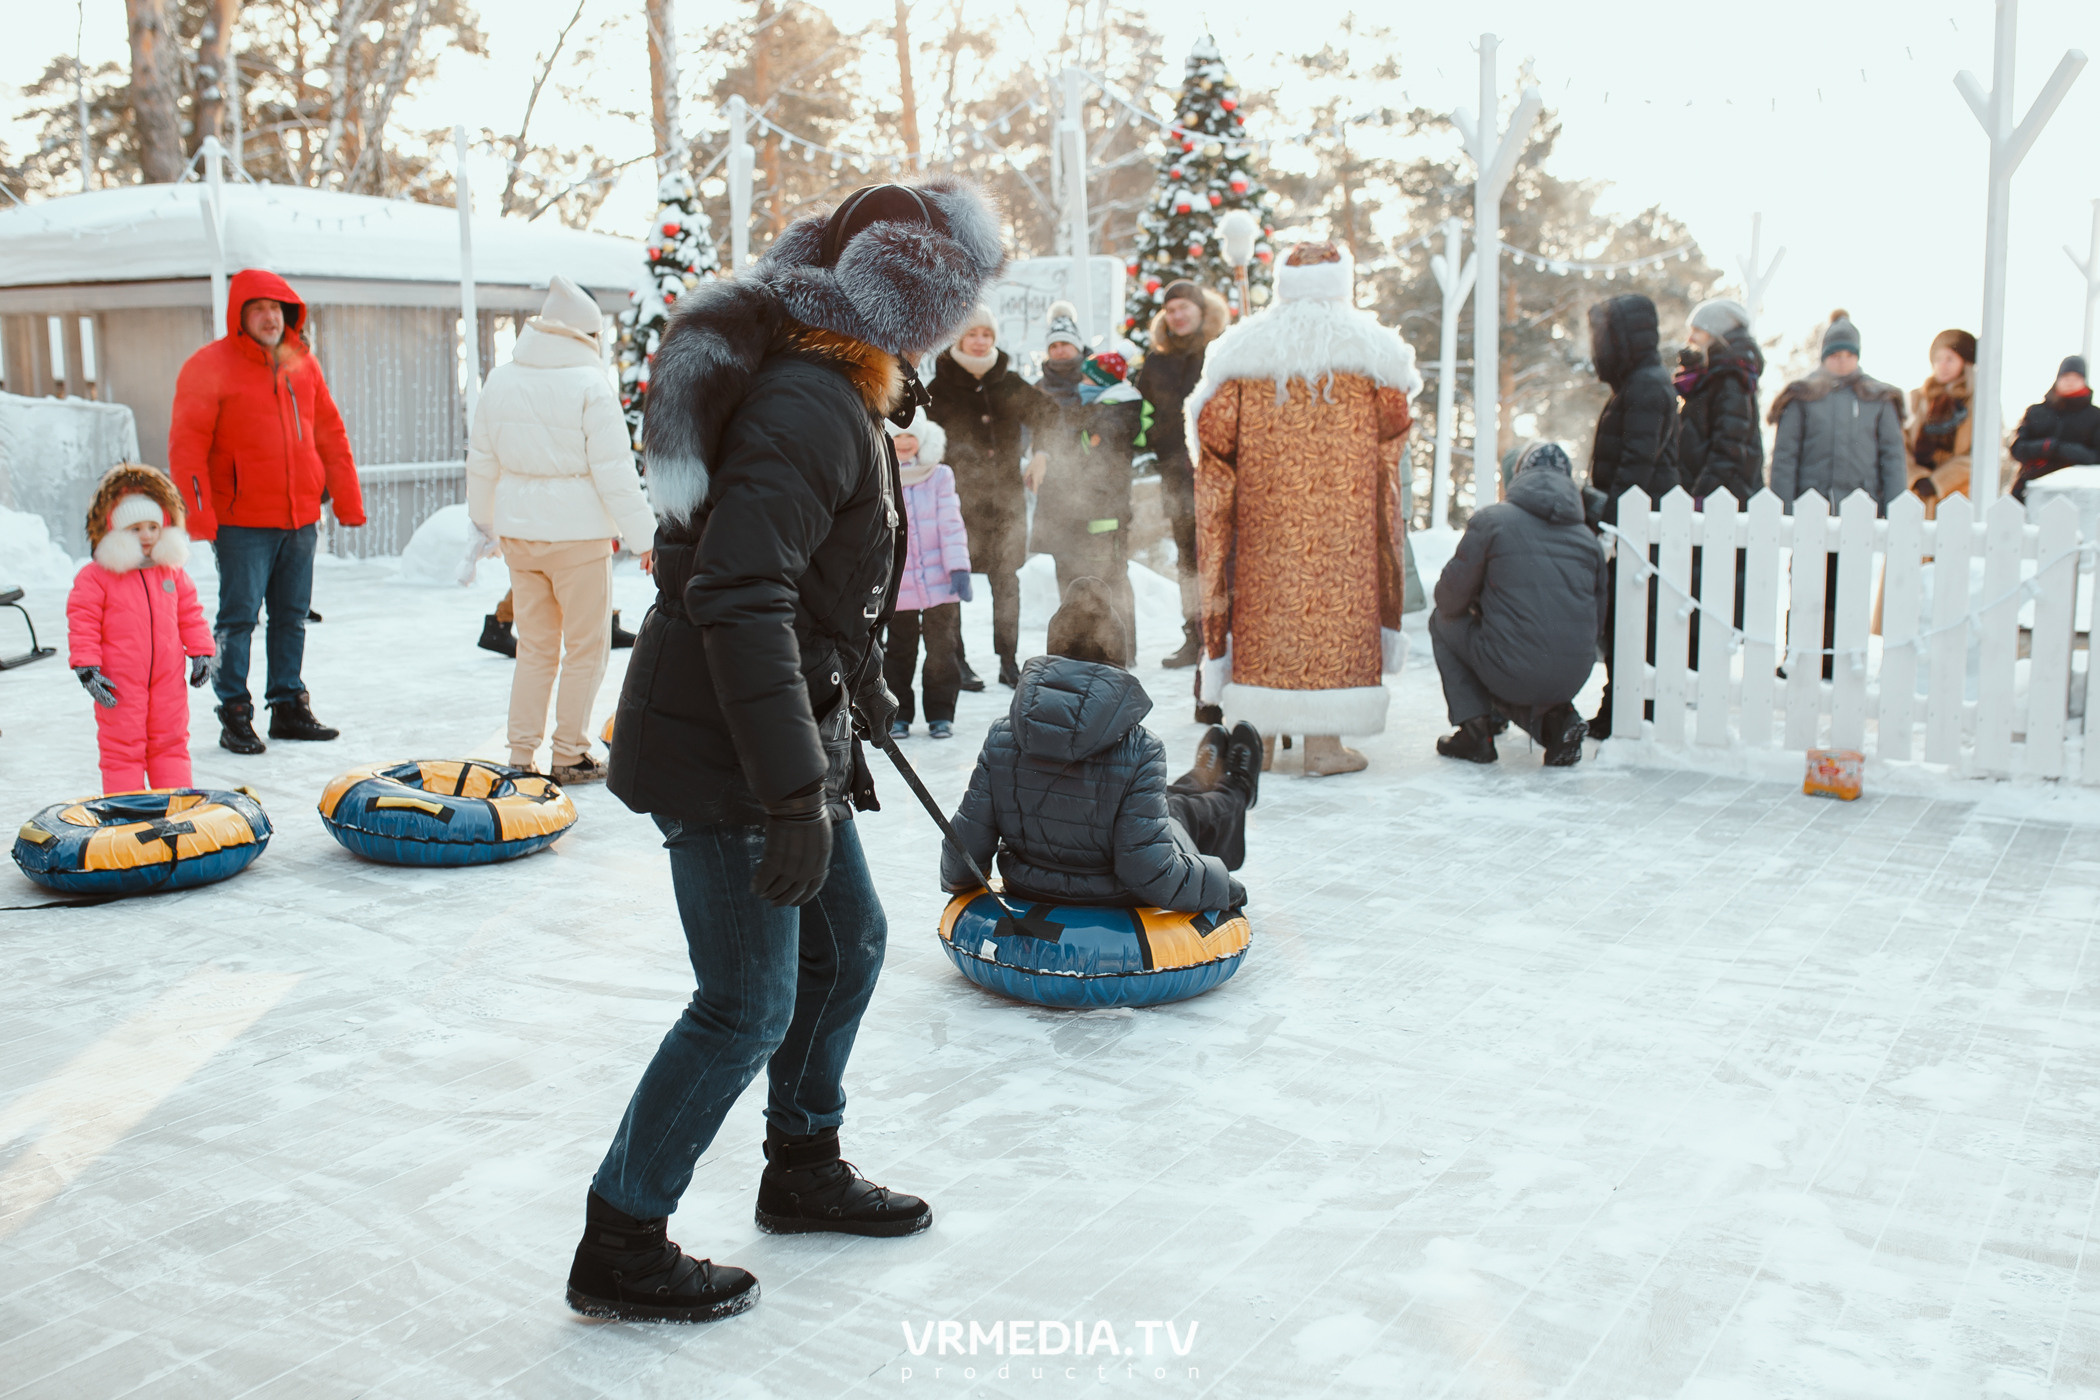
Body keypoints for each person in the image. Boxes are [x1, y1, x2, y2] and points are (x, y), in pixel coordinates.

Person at [578, 178, 1006, 1325]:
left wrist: (858, 692)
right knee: (744, 1003)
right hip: (726, 745)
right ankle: (620, 1240)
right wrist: (789, 796)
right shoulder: (812, 403)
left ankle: (803, 1164)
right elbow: (739, 593)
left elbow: (818, 587)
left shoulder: (833, 393)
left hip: (776, 727)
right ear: (909, 307)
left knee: (849, 942)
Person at [1189, 242, 1418, 776]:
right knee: (1334, 621)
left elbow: (1212, 436)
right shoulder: (1375, 352)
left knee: (1268, 619)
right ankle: (1324, 747)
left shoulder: (1243, 350)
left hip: (1267, 528)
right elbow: (1395, 429)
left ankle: (1261, 744)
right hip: (1345, 530)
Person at [941, 577, 1258, 909]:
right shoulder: (1142, 748)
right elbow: (1148, 870)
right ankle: (1236, 788)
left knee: (1161, 802)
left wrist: (960, 887)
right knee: (1178, 813)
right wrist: (1223, 886)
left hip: (1026, 887)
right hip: (1114, 898)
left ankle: (1201, 777)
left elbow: (966, 845)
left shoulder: (1002, 738)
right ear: (1117, 658)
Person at [466, 274, 657, 784]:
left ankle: (520, 753)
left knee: (535, 648)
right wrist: (646, 539)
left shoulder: (501, 380)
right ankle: (570, 752)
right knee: (586, 648)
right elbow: (615, 473)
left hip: (520, 538)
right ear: (587, 334)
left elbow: (481, 461)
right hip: (579, 540)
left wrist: (485, 524)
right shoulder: (591, 385)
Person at [169, 268, 363, 755]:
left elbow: (330, 434)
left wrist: (347, 499)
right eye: (258, 309)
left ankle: (288, 705)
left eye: (277, 309)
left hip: (300, 517)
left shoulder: (303, 364)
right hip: (241, 521)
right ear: (239, 316)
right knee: (238, 619)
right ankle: (234, 711)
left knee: (291, 616)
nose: (269, 317)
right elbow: (187, 445)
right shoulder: (208, 365)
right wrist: (198, 514)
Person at [1429, 442, 1606, 767]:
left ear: (1520, 474)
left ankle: (1475, 732)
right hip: (1574, 674)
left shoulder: (1493, 521)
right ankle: (1556, 725)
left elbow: (1448, 600)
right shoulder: (1587, 539)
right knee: (1523, 657)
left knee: (1443, 622)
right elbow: (1598, 619)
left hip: (1513, 667)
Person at [1768, 310, 1907, 679]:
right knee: (1808, 587)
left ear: (1857, 356)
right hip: (1811, 510)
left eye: (1848, 354)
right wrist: (1783, 507)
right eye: (1835, 354)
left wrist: (1895, 507)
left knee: (1849, 588)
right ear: (1824, 356)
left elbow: (1892, 456)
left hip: (1858, 512)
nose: (1842, 361)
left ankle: (1842, 660)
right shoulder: (1803, 396)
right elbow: (1786, 455)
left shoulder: (1878, 399)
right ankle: (1800, 655)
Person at [66, 465, 214, 794]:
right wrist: (87, 667)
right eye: (135, 529)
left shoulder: (171, 573)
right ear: (116, 530)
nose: (147, 535)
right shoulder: (97, 577)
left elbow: (190, 614)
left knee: (171, 744)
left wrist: (201, 651)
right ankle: (127, 811)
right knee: (122, 751)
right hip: (118, 684)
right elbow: (83, 621)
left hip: (168, 682)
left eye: (153, 527)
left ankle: (174, 806)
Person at [926, 303, 1049, 689]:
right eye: (972, 334)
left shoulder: (1008, 382)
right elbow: (920, 437)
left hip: (1006, 502)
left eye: (987, 334)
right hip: (955, 502)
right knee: (952, 580)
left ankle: (1008, 660)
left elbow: (1050, 415)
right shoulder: (939, 388)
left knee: (1006, 580)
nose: (980, 341)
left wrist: (1041, 454)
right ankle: (957, 660)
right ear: (958, 338)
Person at [1583, 292, 1680, 739]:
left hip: (1638, 528)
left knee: (1633, 619)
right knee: (1624, 618)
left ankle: (1629, 708)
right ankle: (1620, 704)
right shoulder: (1637, 384)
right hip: (1632, 525)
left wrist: (1610, 524)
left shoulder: (1646, 386)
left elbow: (1635, 466)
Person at [1032, 319, 1145, 662]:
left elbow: (1100, 465)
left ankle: (1119, 650)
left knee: (1108, 579)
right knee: (1076, 578)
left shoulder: (1112, 412)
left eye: (1087, 380)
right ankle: (1079, 649)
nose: (1082, 385)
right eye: (1053, 346)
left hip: (1102, 513)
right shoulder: (1094, 408)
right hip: (1074, 508)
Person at [1136, 279, 1231, 668]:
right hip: (1176, 473)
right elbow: (1141, 413)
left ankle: (1227, 634)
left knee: (1223, 555)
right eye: (1170, 310)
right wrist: (1152, 439)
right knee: (1189, 559)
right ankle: (1194, 637)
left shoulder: (1222, 352)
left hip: (1220, 473)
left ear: (1201, 310)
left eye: (1184, 308)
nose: (1177, 316)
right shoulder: (1155, 363)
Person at [881, 410, 973, 740]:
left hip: (940, 581)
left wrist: (958, 567)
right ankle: (899, 714)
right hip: (899, 583)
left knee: (943, 650)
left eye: (911, 436)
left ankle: (941, 714)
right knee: (899, 652)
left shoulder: (939, 475)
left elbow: (951, 524)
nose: (905, 443)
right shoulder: (881, 476)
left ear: (922, 439)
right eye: (898, 436)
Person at [1903, 328, 1976, 519]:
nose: (1942, 365)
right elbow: (1901, 444)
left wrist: (1937, 482)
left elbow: (1979, 454)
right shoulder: (1918, 399)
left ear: (1964, 363)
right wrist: (1917, 478)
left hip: (1958, 497)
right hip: (1916, 496)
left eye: (1950, 359)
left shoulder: (1976, 403)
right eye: (1938, 359)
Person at [2011, 356, 2100, 501]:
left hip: (2078, 491)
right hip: (2031, 486)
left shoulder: (2095, 416)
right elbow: (2017, 449)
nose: (2070, 382)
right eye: (2066, 377)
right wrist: (2047, 446)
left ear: (2083, 381)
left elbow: (2096, 457)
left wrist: (2061, 450)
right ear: (2058, 379)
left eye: (2076, 378)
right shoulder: (2036, 412)